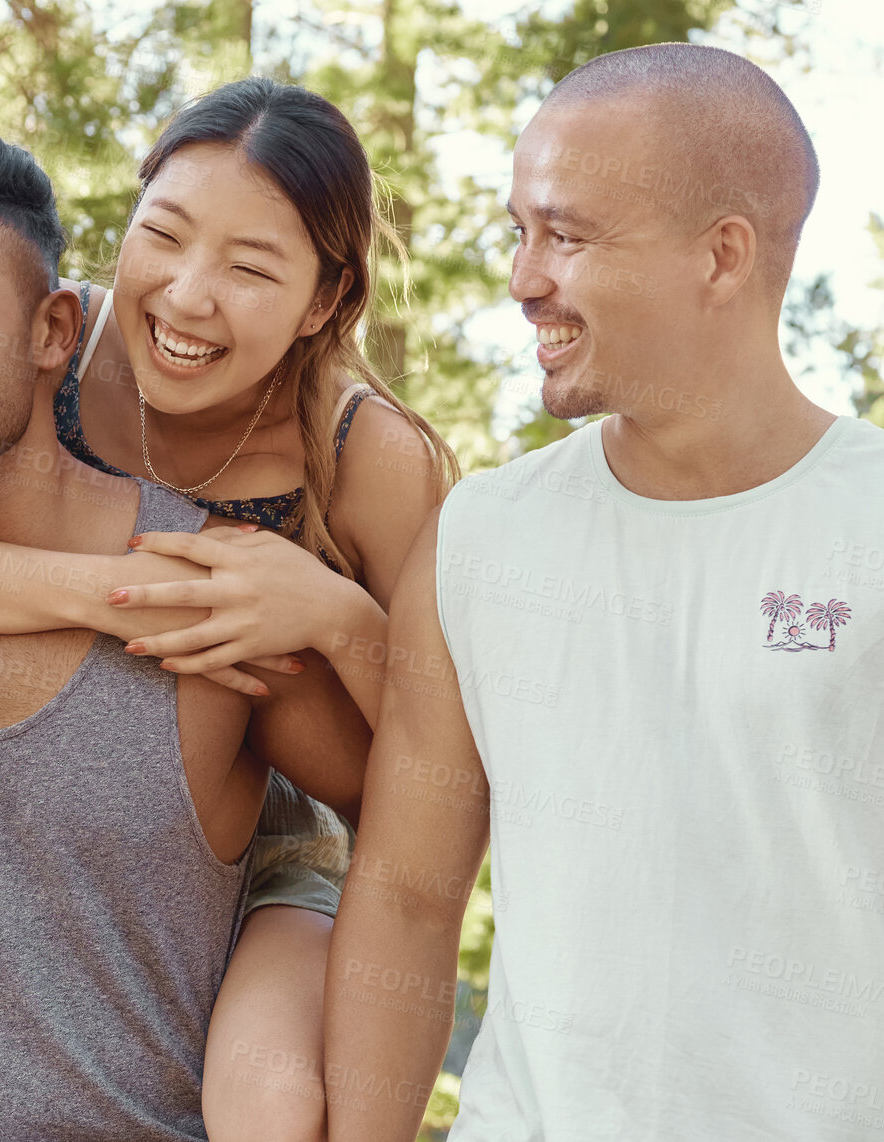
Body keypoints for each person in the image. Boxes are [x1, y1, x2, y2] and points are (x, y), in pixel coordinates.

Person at [0, 77, 457, 1139]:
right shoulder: (50, 348)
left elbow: (440, 743)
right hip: (66, 828)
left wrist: (331, 613)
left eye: (251, 267)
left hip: (275, 840)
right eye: (162, 235)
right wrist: (120, 594)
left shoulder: (369, 457)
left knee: (267, 1100)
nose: (184, 295)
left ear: (322, 301)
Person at [324, 43, 884, 1141]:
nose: (523, 277)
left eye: (567, 236)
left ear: (720, 257)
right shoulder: (480, 536)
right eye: (518, 232)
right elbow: (406, 896)